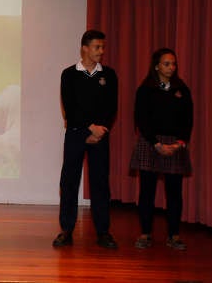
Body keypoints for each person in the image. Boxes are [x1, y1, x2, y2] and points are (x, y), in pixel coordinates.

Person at [54, 29, 119, 249]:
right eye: (97, 47)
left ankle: (103, 232)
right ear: (84, 48)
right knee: (69, 182)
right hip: (75, 134)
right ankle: (66, 229)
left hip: (100, 135)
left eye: (102, 47)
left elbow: (112, 107)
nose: (101, 51)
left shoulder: (109, 75)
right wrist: (88, 128)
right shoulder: (69, 74)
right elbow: (70, 107)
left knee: (100, 183)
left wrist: (100, 130)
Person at [130, 48, 193, 250]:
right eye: (167, 63)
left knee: (174, 193)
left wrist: (178, 143)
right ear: (157, 65)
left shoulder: (182, 90)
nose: (171, 67)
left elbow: (188, 120)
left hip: (175, 145)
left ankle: (173, 235)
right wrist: (156, 143)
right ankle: (145, 233)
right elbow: (141, 119)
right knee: (147, 191)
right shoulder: (145, 89)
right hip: (151, 143)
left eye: (173, 64)